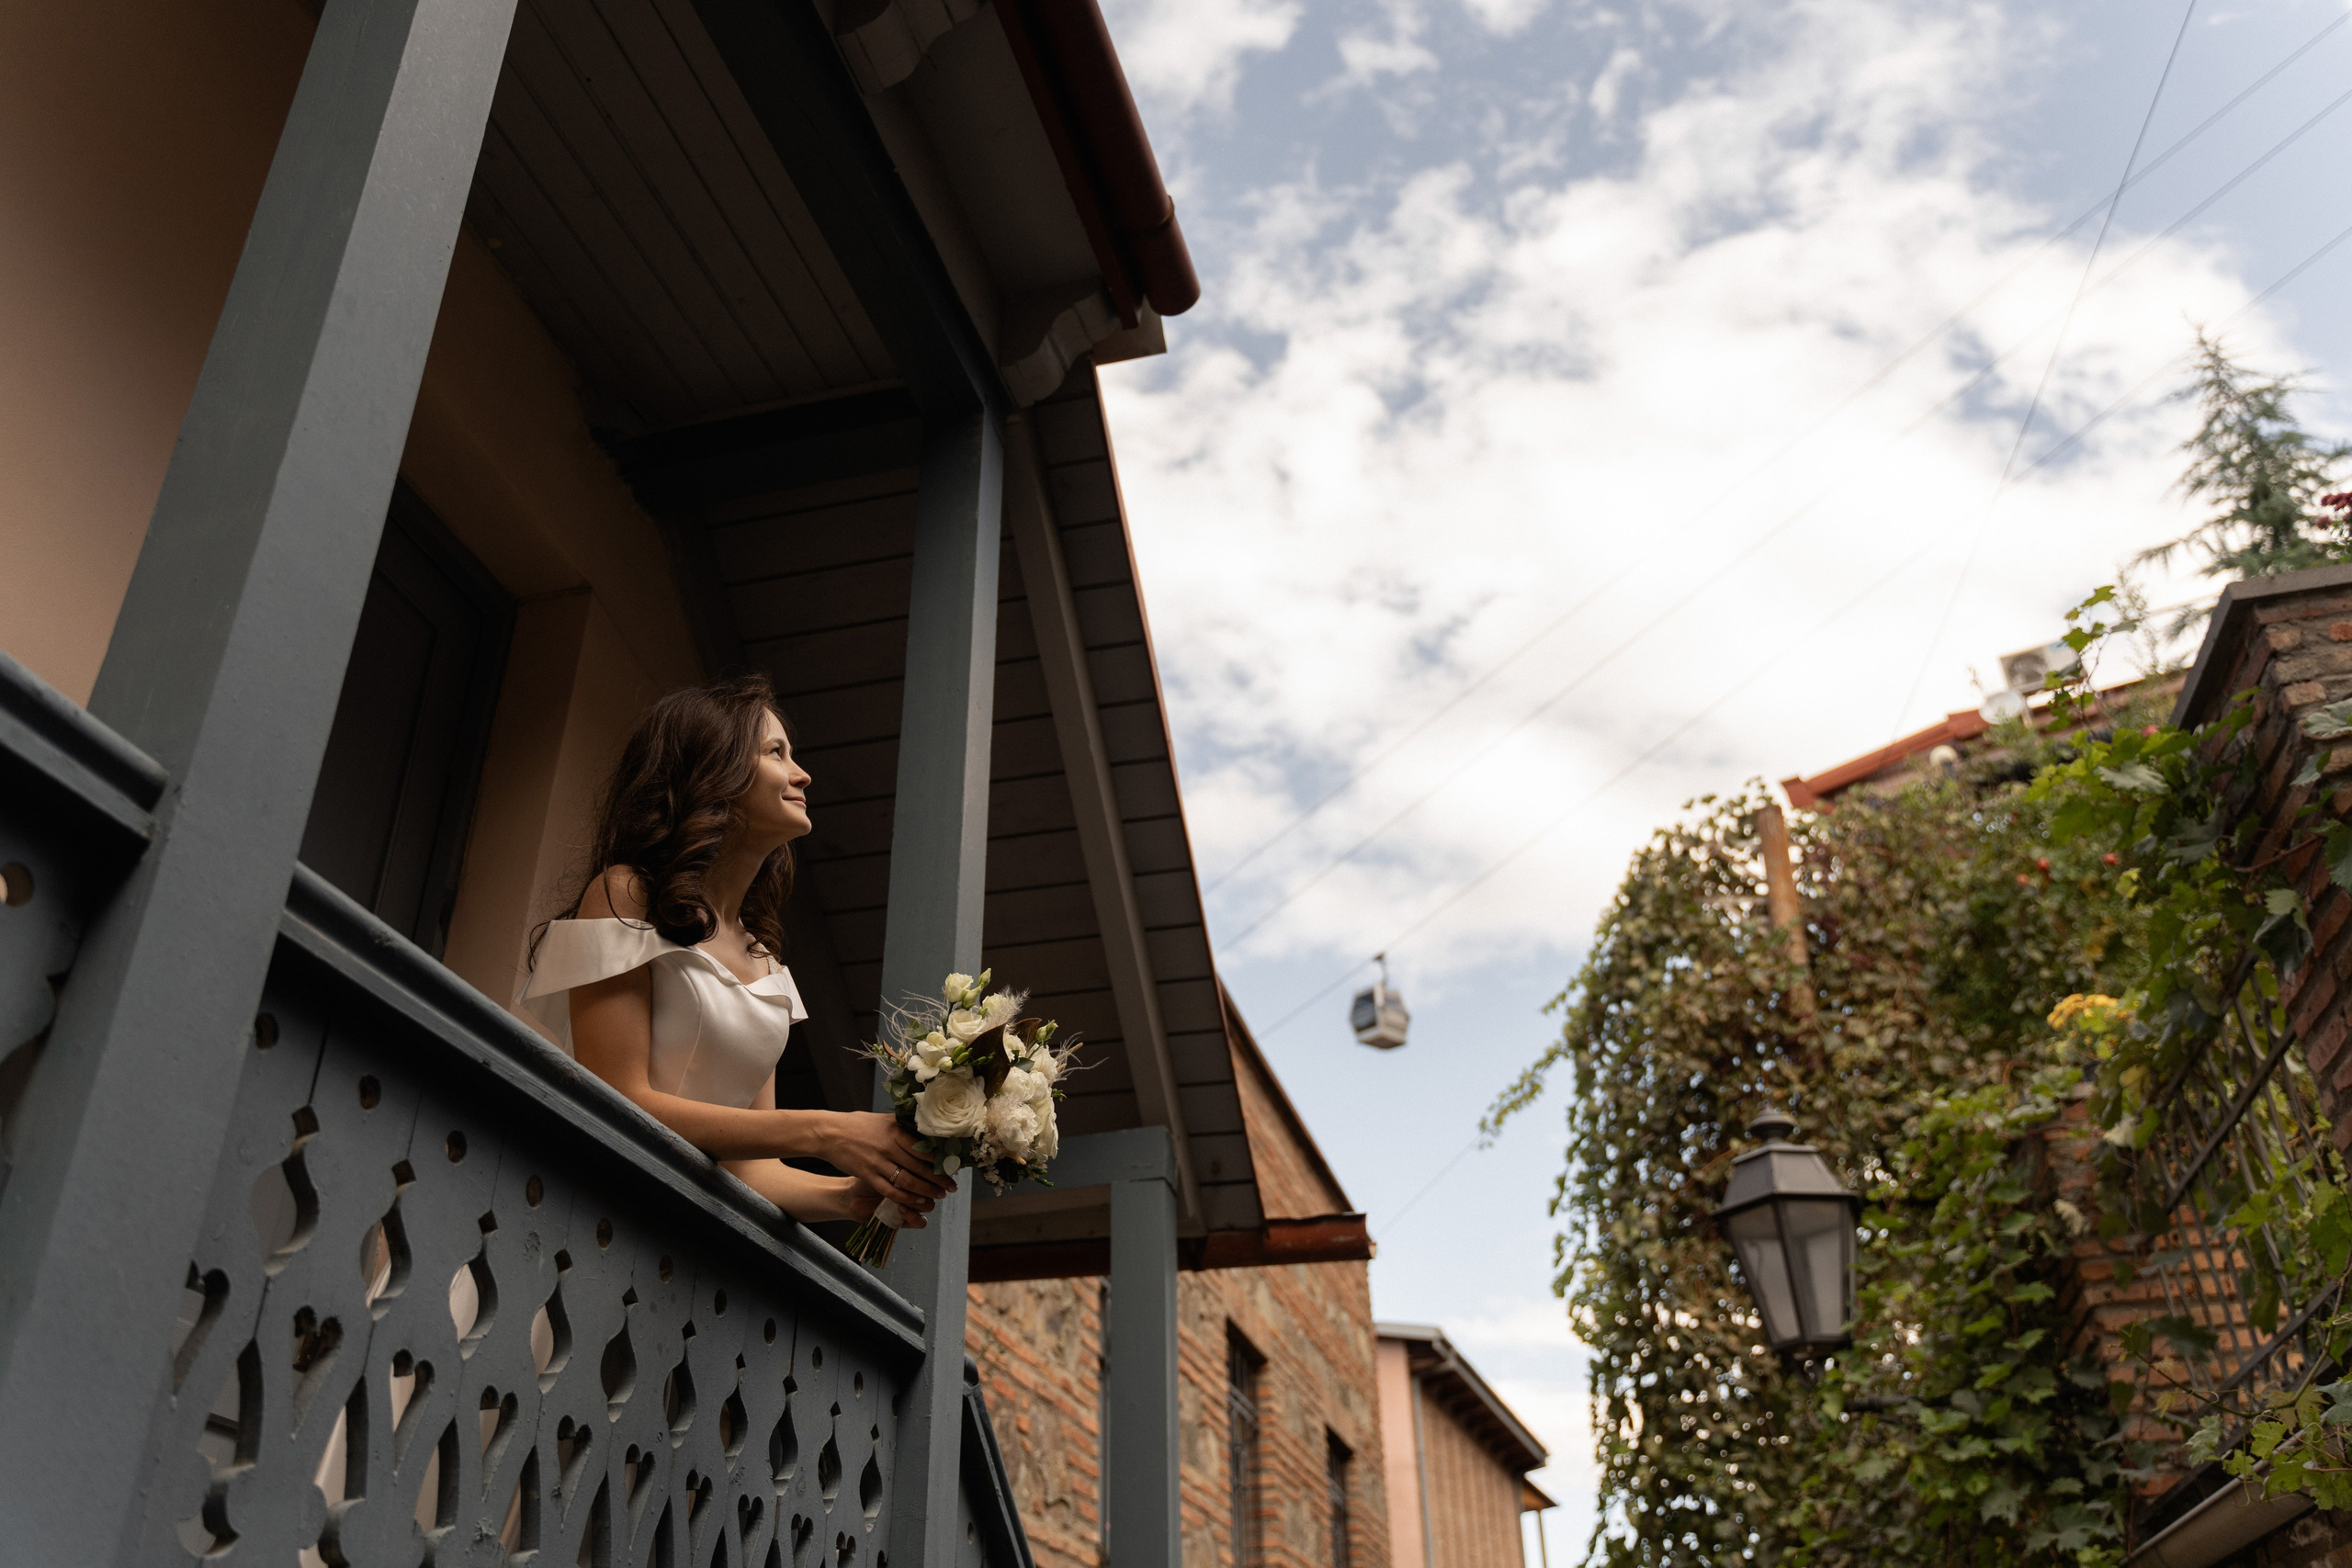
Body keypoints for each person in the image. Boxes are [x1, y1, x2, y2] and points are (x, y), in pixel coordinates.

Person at [516, 676, 952, 1228]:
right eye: (777, 752)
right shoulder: (626, 894)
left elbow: (754, 1170)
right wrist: (829, 1131)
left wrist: (854, 1194)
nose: (802, 774)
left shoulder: (763, 957)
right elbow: (620, 1097)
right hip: (587, 1209)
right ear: (715, 772)